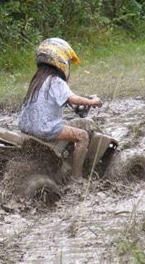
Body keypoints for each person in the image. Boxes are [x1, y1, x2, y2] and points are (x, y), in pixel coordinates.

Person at [18, 38, 102, 180]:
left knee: (66, 123)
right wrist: (92, 102)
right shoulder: (56, 81)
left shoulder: (37, 80)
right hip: (44, 129)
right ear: (61, 61)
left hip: (26, 126)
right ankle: (77, 178)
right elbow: (73, 99)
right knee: (82, 136)